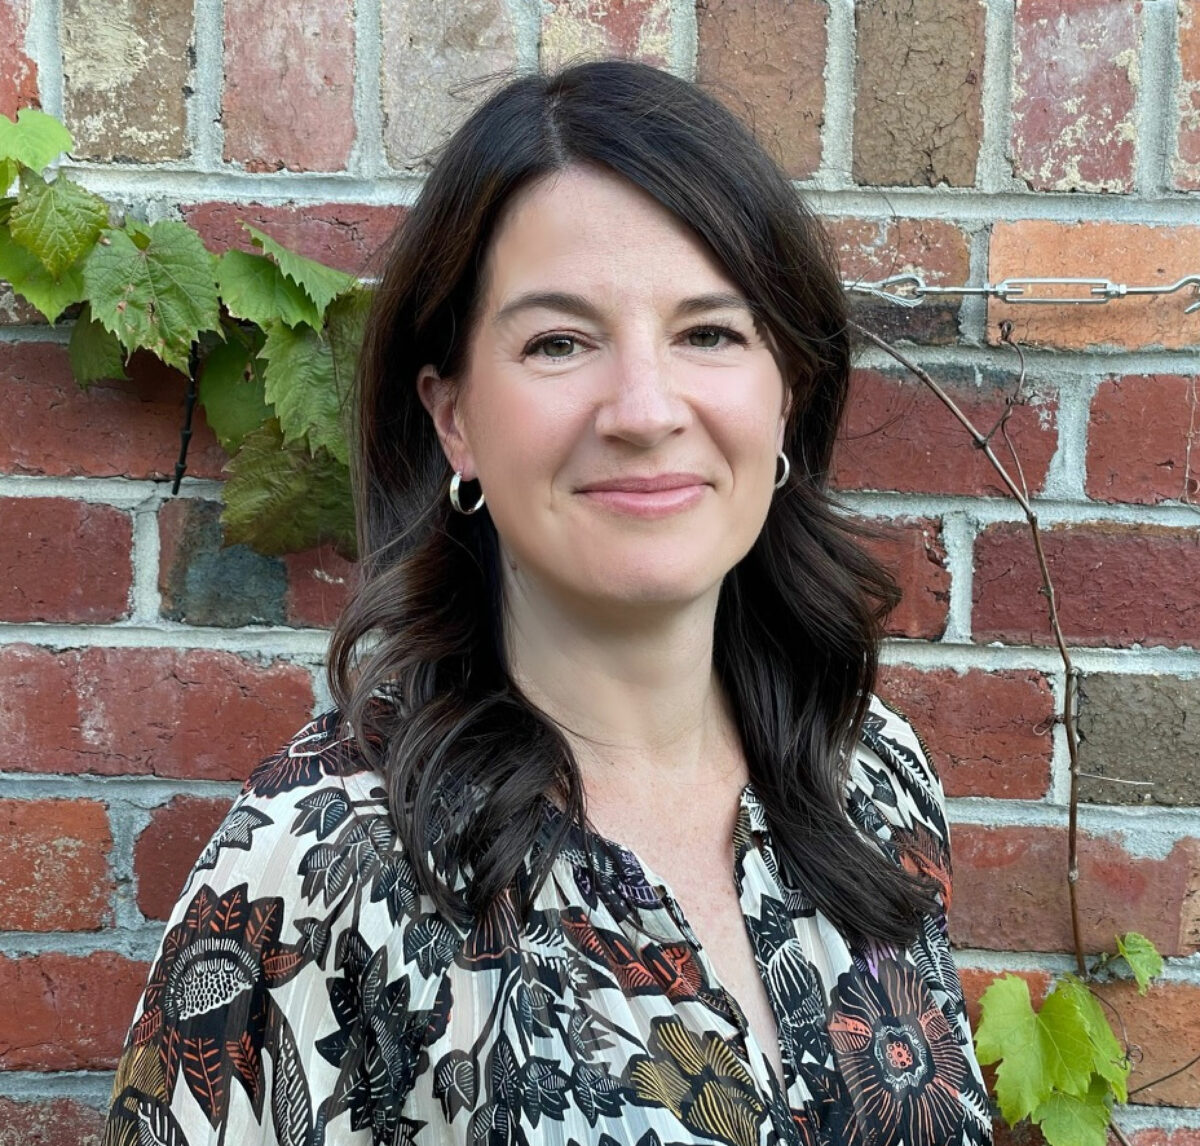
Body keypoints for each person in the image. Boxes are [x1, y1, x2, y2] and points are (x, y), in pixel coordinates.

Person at [103, 59, 992, 1146]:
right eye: (558, 342)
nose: (644, 408)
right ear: (454, 418)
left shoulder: (871, 778)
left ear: (787, 396)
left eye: (709, 331)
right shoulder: (317, 866)